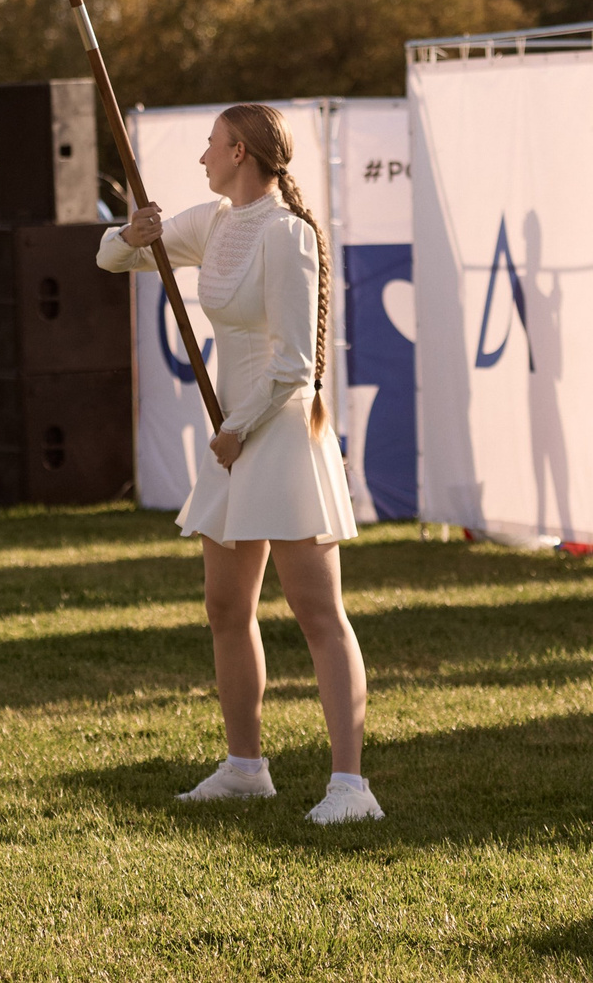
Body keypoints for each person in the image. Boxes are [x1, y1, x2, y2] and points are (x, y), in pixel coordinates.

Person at [96, 104, 378, 825]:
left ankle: (351, 786)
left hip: (277, 435)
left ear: (241, 152)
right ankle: (246, 767)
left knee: (318, 612)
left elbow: (297, 365)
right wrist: (133, 233)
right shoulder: (214, 222)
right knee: (226, 607)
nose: (202, 158)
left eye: (211, 146)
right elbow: (112, 259)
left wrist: (237, 428)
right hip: (233, 442)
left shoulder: (288, 234)